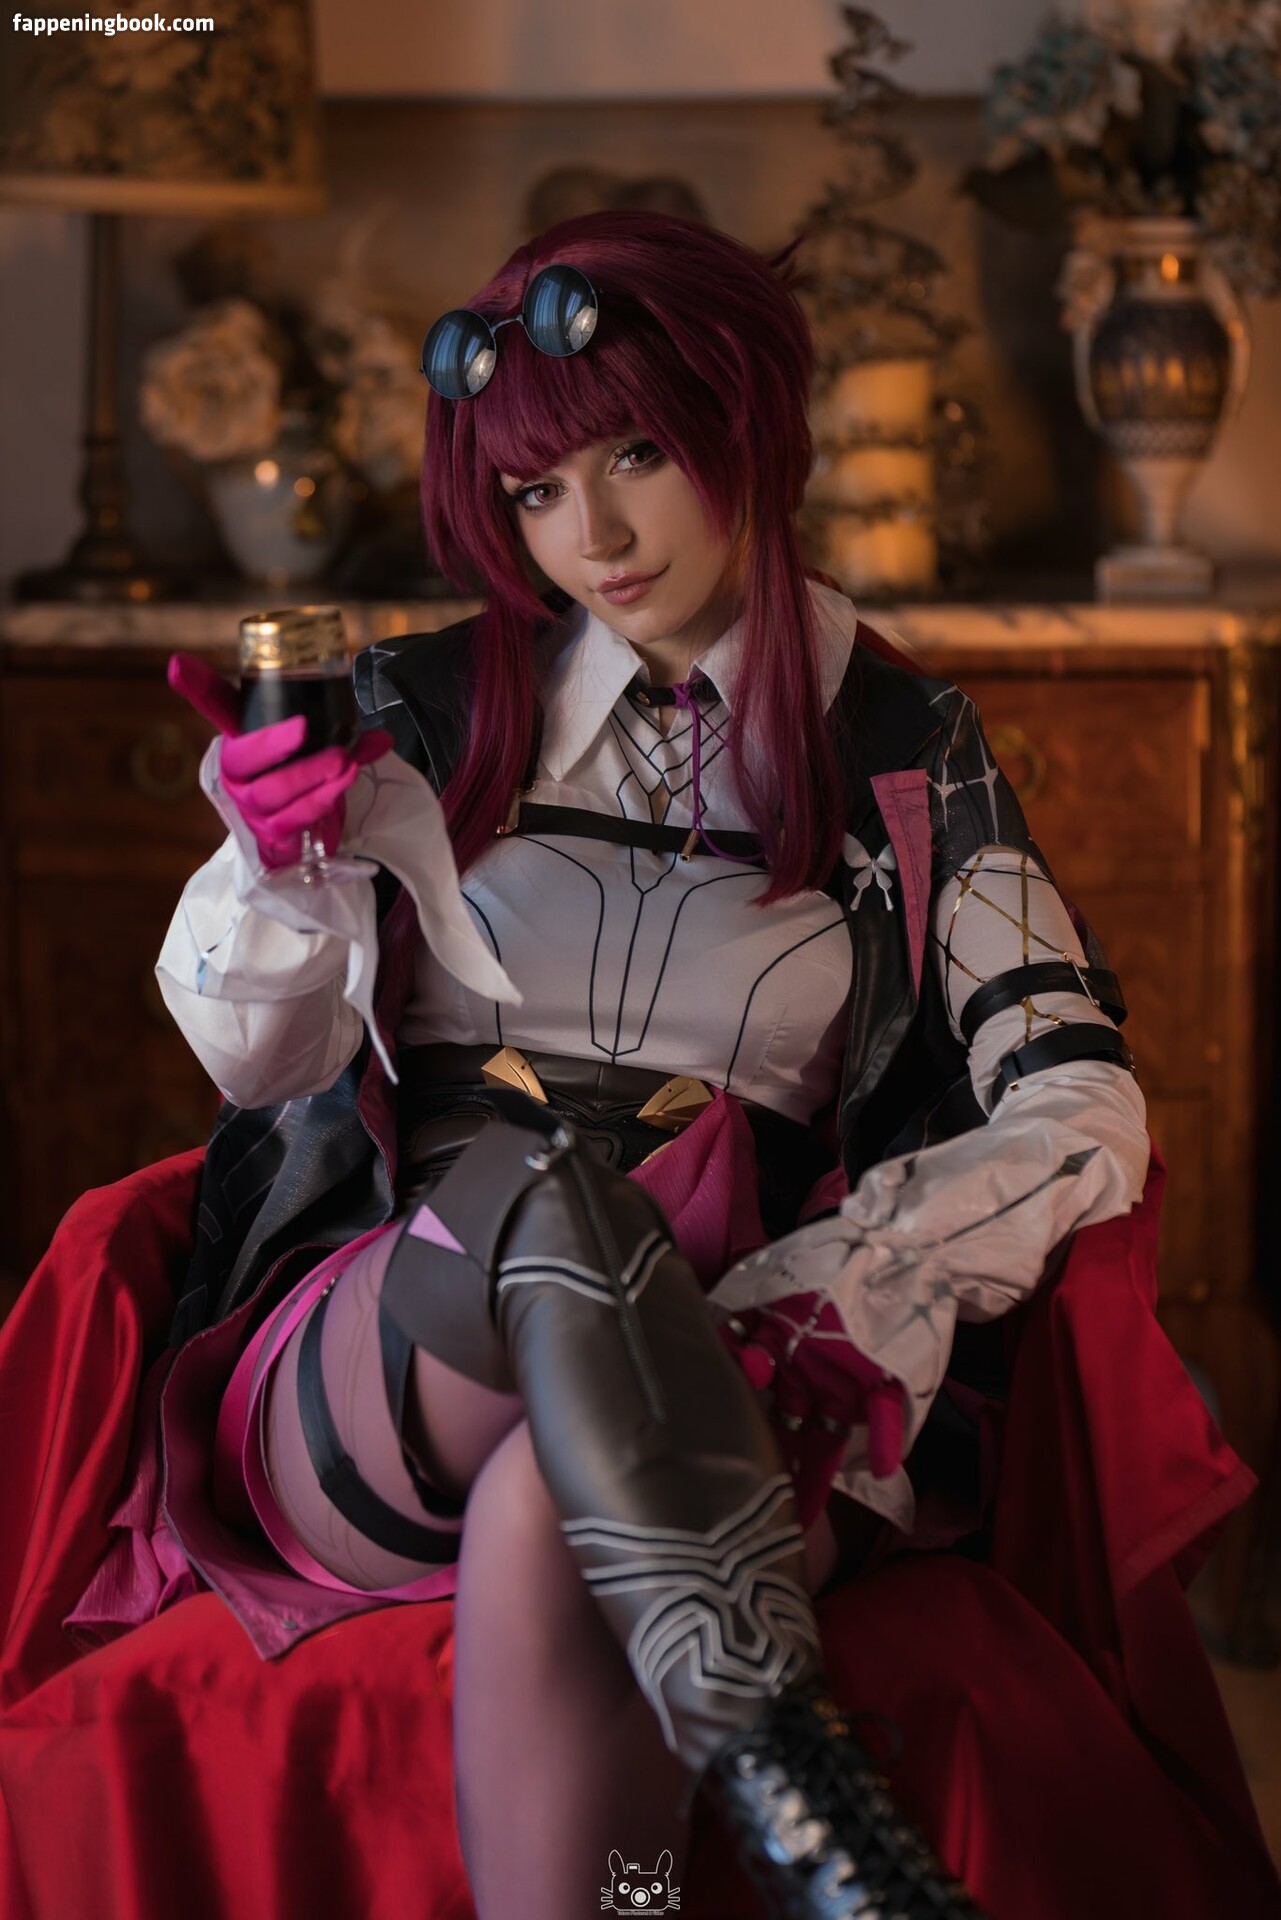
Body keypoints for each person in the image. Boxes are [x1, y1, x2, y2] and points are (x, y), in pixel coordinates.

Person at [21, 211, 1274, 1920]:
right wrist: (273, 869)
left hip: (730, 1343)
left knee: (564, 1494)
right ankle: (810, 1800)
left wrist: (865, 1280)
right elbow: (264, 1063)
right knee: (531, 1196)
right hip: (398, 1358)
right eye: (535, 491)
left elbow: (1078, 1099)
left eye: (635, 457)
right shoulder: (409, 713)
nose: (591, 537)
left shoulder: (900, 751)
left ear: (745, 426)